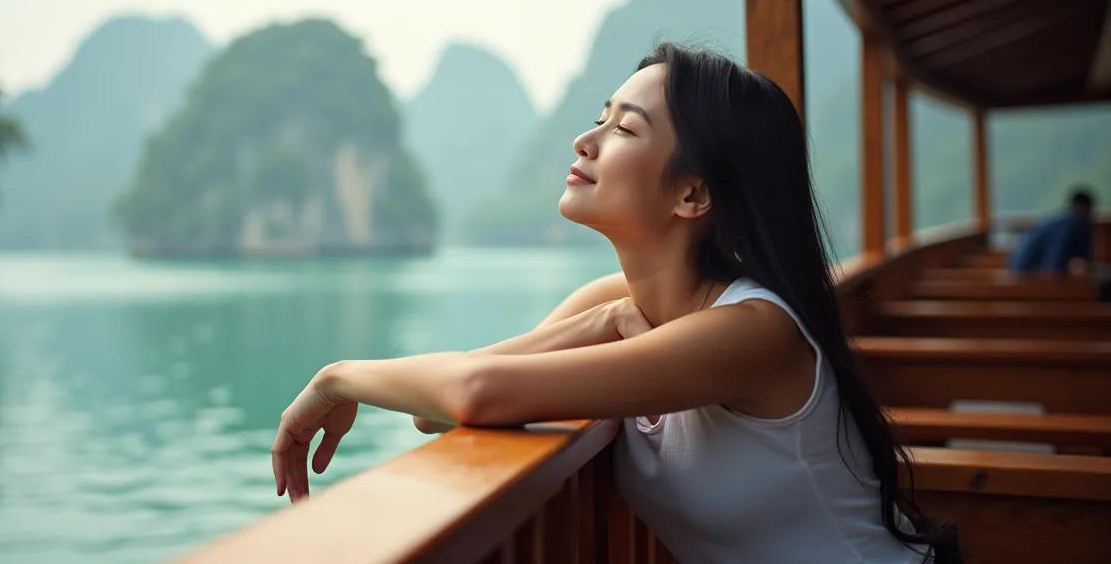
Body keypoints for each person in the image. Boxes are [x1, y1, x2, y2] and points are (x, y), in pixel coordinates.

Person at [271, 44, 960, 563]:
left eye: (624, 129)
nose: (585, 139)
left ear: (693, 194)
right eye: (599, 118)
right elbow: (435, 413)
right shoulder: (617, 301)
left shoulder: (756, 332)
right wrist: (608, 318)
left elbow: (476, 390)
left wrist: (338, 377)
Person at [1007, 188, 1095, 276]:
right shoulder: (1074, 224)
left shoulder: (1059, 220)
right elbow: (1053, 262)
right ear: (1085, 207)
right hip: (1026, 272)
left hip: (1017, 267)